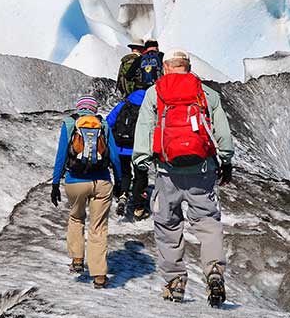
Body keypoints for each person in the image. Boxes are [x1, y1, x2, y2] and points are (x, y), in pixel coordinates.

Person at [132, 49, 234, 307]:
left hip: (168, 172)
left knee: (168, 225)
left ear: (165, 67)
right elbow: (221, 129)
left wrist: (141, 165)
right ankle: (213, 270)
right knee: (208, 222)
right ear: (187, 67)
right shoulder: (205, 93)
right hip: (202, 169)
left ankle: (175, 281)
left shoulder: (155, 93)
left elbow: (144, 127)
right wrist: (226, 160)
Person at [50, 95, 121, 289]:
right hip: (101, 182)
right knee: (98, 228)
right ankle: (99, 276)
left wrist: (56, 183)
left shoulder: (69, 123)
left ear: (79, 108)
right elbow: (113, 155)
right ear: (94, 109)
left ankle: (78, 260)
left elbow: (61, 154)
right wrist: (120, 181)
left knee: (76, 218)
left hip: (75, 181)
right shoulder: (103, 124)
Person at [105, 88, 151, 221]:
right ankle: (138, 208)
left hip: (121, 146)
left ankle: (123, 195)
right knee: (140, 176)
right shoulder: (147, 107)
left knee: (125, 173)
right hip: (139, 148)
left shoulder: (122, 106)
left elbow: (109, 122)